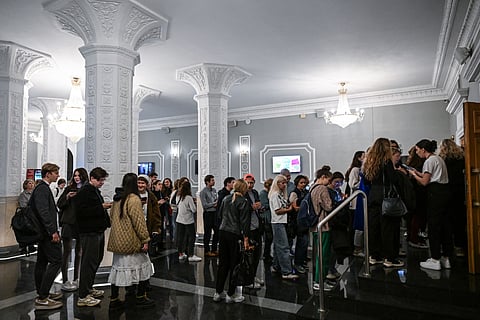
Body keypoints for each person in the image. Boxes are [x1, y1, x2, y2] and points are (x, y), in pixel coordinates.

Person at [108, 173, 155, 309]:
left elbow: (112, 218)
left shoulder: (117, 198)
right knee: (142, 266)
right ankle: (140, 297)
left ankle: (114, 299)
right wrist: (145, 239)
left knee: (117, 269)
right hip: (131, 241)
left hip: (118, 240)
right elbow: (139, 222)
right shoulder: (134, 199)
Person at [408, 139, 453, 270]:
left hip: (435, 194)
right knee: (445, 226)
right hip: (445, 192)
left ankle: (435, 258)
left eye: (417, 150)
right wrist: (418, 172)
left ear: (423, 149)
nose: (416, 153)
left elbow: (425, 182)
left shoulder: (429, 161)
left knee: (434, 226)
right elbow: (431, 176)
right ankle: (446, 257)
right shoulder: (439, 159)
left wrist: (413, 175)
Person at [363, 138, 404, 268]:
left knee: (374, 228)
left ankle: (375, 256)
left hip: (372, 196)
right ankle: (389, 258)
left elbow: (367, 180)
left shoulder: (369, 162)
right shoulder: (386, 161)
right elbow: (393, 179)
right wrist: (399, 173)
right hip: (385, 197)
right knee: (388, 229)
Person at [74, 167, 112, 307]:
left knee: (96, 260)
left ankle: (89, 288)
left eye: (103, 180)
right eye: (100, 180)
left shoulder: (94, 190)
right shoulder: (85, 191)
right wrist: (101, 207)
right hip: (89, 232)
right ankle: (83, 295)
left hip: (97, 230)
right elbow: (81, 212)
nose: (102, 182)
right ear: (92, 178)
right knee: (88, 262)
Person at [214, 179, 251, 304]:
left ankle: (218, 292)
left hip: (223, 232)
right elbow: (245, 223)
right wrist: (246, 239)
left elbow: (219, 215)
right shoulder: (244, 202)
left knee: (223, 264)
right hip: (235, 235)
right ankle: (231, 294)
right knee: (234, 264)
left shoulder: (226, 199)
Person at [32, 163, 63, 310]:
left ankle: (42, 293)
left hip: (44, 232)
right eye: (56, 173)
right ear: (48, 173)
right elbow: (43, 211)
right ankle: (43, 296)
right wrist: (52, 231)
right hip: (47, 233)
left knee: (42, 262)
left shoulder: (42, 188)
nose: (57, 175)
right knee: (57, 261)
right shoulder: (42, 189)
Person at [57, 168, 89, 292]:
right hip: (68, 223)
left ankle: (77, 278)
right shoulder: (69, 188)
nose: (76, 178)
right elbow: (60, 204)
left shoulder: (86, 189)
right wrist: (67, 197)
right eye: (75, 175)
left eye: (79, 175)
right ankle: (65, 280)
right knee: (67, 252)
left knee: (79, 252)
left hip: (80, 223)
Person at [439, 138, 466, 257]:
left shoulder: (443, 160)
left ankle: (448, 247)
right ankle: (460, 246)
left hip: (446, 190)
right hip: (460, 191)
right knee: (460, 219)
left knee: (447, 221)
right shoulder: (462, 158)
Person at [269, 174, 298, 280]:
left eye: (285, 183)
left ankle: (276, 266)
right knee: (284, 247)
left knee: (278, 247)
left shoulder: (280, 194)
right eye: (282, 183)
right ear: (277, 183)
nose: (285, 185)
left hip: (281, 222)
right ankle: (286, 271)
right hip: (278, 222)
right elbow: (278, 210)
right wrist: (289, 209)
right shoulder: (275, 195)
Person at [243, 173, 264, 289]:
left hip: (256, 225)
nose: (250, 185)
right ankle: (248, 279)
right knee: (249, 256)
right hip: (248, 227)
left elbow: (258, 204)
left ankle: (253, 275)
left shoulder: (255, 193)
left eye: (252, 183)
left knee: (257, 254)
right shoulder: (242, 194)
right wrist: (251, 207)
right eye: (248, 183)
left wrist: (259, 206)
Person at [345, 151, 366, 256]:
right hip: (356, 202)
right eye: (364, 156)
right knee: (358, 226)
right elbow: (352, 184)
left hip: (361, 201)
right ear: (359, 158)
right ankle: (356, 249)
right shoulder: (355, 170)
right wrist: (363, 181)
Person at [175, 180, 201, 262]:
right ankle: (191, 254)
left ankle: (181, 254)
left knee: (180, 237)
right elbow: (193, 209)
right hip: (188, 220)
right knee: (191, 237)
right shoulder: (189, 198)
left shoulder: (178, 196)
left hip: (179, 219)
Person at [290, 174, 309, 274]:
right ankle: (298, 263)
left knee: (304, 243)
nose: (303, 184)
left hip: (305, 220)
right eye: (301, 183)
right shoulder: (294, 193)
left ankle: (302, 261)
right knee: (301, 242)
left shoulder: (305, 192)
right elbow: (294, 207)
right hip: (297, 221)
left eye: (304, 183)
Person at [138, 175, 162, 256]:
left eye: (143, 183)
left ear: (147, 184)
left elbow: (156, 213)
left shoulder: (151, 196)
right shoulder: (133, 195)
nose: (140, 185)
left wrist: (156, 227)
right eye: (139, 183)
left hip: (148, 224)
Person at [200, 175, 218, 257]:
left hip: (215, 213)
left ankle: (214, 249)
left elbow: (216, 198)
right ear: (207, 182)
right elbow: (205, 205)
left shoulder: (214, 190)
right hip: (208, 213)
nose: (214, 182)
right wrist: (213, 204)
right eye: (212, 180)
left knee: (217, 231)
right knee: (207, 232)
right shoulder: (203, 192)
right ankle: (207, 250)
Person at [259, 178, 274, 261]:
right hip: (266, 219)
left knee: (269, 238)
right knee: (268, 238)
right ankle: (266, 254)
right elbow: (264, 206)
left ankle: (267, 254)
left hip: (268, 218)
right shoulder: (263, 193)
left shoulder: (266, 193)